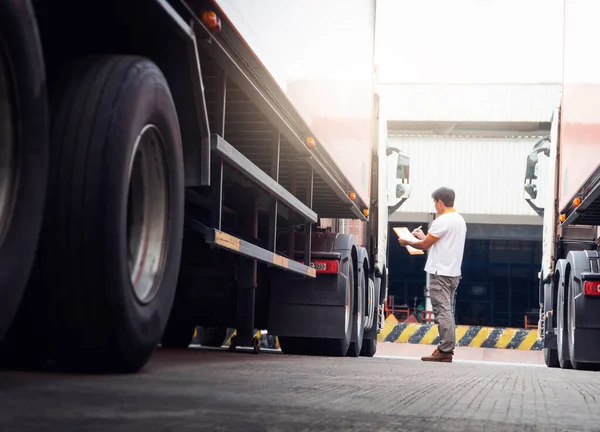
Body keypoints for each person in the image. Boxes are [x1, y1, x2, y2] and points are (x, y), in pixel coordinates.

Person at [398, 187, 466, 363]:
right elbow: (438, 243)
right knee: (447, 310)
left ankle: (445, 350)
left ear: (440, 202)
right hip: (453, 274)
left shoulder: (442, 221)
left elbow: (424, 246)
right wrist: (422, 236)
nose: (435, 206)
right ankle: (446, 348)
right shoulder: (459, 221)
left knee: (442, 312)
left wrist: (407, 241)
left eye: (435, 203)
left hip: (440, 273)